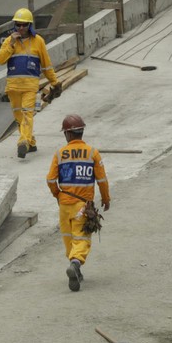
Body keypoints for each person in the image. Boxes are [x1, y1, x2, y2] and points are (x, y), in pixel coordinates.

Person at [47, 113, 111, 291]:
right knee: (82, 238)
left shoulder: (59, 153)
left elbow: (51, 180)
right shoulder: (92, 153)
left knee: (68, 238)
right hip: (82, 206)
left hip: (64, 205)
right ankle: (76, 264)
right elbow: (102, 180)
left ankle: (75, 269)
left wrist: (58, 195)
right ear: (81, 132)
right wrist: (106, 199)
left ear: (67, 134)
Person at [0, 9, 59, 160]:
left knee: (27, 114)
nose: (21, 28)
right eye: (18, 25)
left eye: (24, 25)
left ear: (30, 25)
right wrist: (10, 43)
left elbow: (46, 65)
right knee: (19, 116)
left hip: (30, 86)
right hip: (13, 87)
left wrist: (55, 82)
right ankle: (31, 143)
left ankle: (23, 142)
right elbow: (0, 60)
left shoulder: (38, 41)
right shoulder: (9, 41)